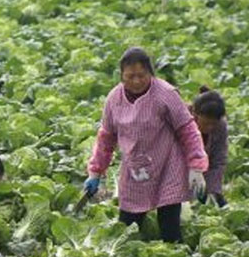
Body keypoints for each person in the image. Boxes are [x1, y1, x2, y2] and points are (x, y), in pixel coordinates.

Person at [85, 47, 208, 243]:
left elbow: (188, 130)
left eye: (141, 75)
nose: (136, 81)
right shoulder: (114, 99)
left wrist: (196, 167)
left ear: (150, 73)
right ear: (121, 76)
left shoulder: (165, 94)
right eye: (130, 76)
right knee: (127, 227)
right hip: (135, 169)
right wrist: (95, 172)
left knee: (170, 228)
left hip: (168, 166)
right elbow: (106, 138)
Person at [191, 86, 229, 207]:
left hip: (202, 174)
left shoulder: (221, 126)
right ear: (195, 114)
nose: (210, 128)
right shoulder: (181, 119)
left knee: (218, 205)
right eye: (206, 123)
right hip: (175, 175)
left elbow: (218, 160)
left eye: (213, 124)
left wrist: (212, 190)